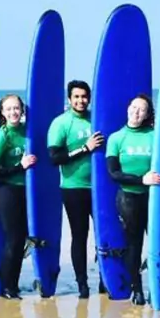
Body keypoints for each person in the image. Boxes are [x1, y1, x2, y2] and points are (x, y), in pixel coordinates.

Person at [46, 80, 105, 299]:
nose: (81, 100)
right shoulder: (61, 123)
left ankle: (105, 278)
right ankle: (82, 283)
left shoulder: (97, 118)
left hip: (100, 189)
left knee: (104, 234)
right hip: (74, 189)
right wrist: (84, 148)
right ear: (69, 99)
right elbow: (55, 158)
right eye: (77, 97)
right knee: (80, 236)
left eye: (84, 96)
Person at [105, 94, 160, 306]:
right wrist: (142, 179)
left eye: (142, 109)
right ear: (128, 108)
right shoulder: (116, 138)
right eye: (133, 107)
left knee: (158, 243)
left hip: (154, 198)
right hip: (128, 198)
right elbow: (114, 173)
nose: (136, 112)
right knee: (134, 245)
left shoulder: (155, 136)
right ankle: (137, 289)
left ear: (148, 114)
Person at [0, 94, 36, 300]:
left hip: (27, 192)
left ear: (22, 110)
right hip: (7, 192)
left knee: (21, 240)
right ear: (2, 113)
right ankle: (7, 287)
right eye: (9, 109)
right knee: (14, 240)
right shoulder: (3, 136)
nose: (13, 112)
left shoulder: (28, 131)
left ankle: (12, 282)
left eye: (16, 108)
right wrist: (20, 166)